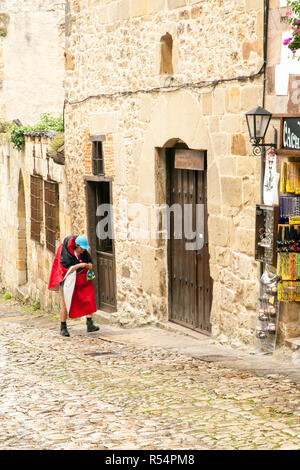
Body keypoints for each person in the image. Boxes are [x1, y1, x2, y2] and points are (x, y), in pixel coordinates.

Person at [48, 235, 100, 337]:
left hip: (80, 278)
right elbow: (66, 269)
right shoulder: (65, 253)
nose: (83, 251)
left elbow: (89, 261)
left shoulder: (83, 252)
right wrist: (79, 265)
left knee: (88, 298)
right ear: (76, 246)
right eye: (82, 248)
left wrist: (89, 265)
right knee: (65, 302)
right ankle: (63, 327)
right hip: (67, 280)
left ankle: (90, 324)